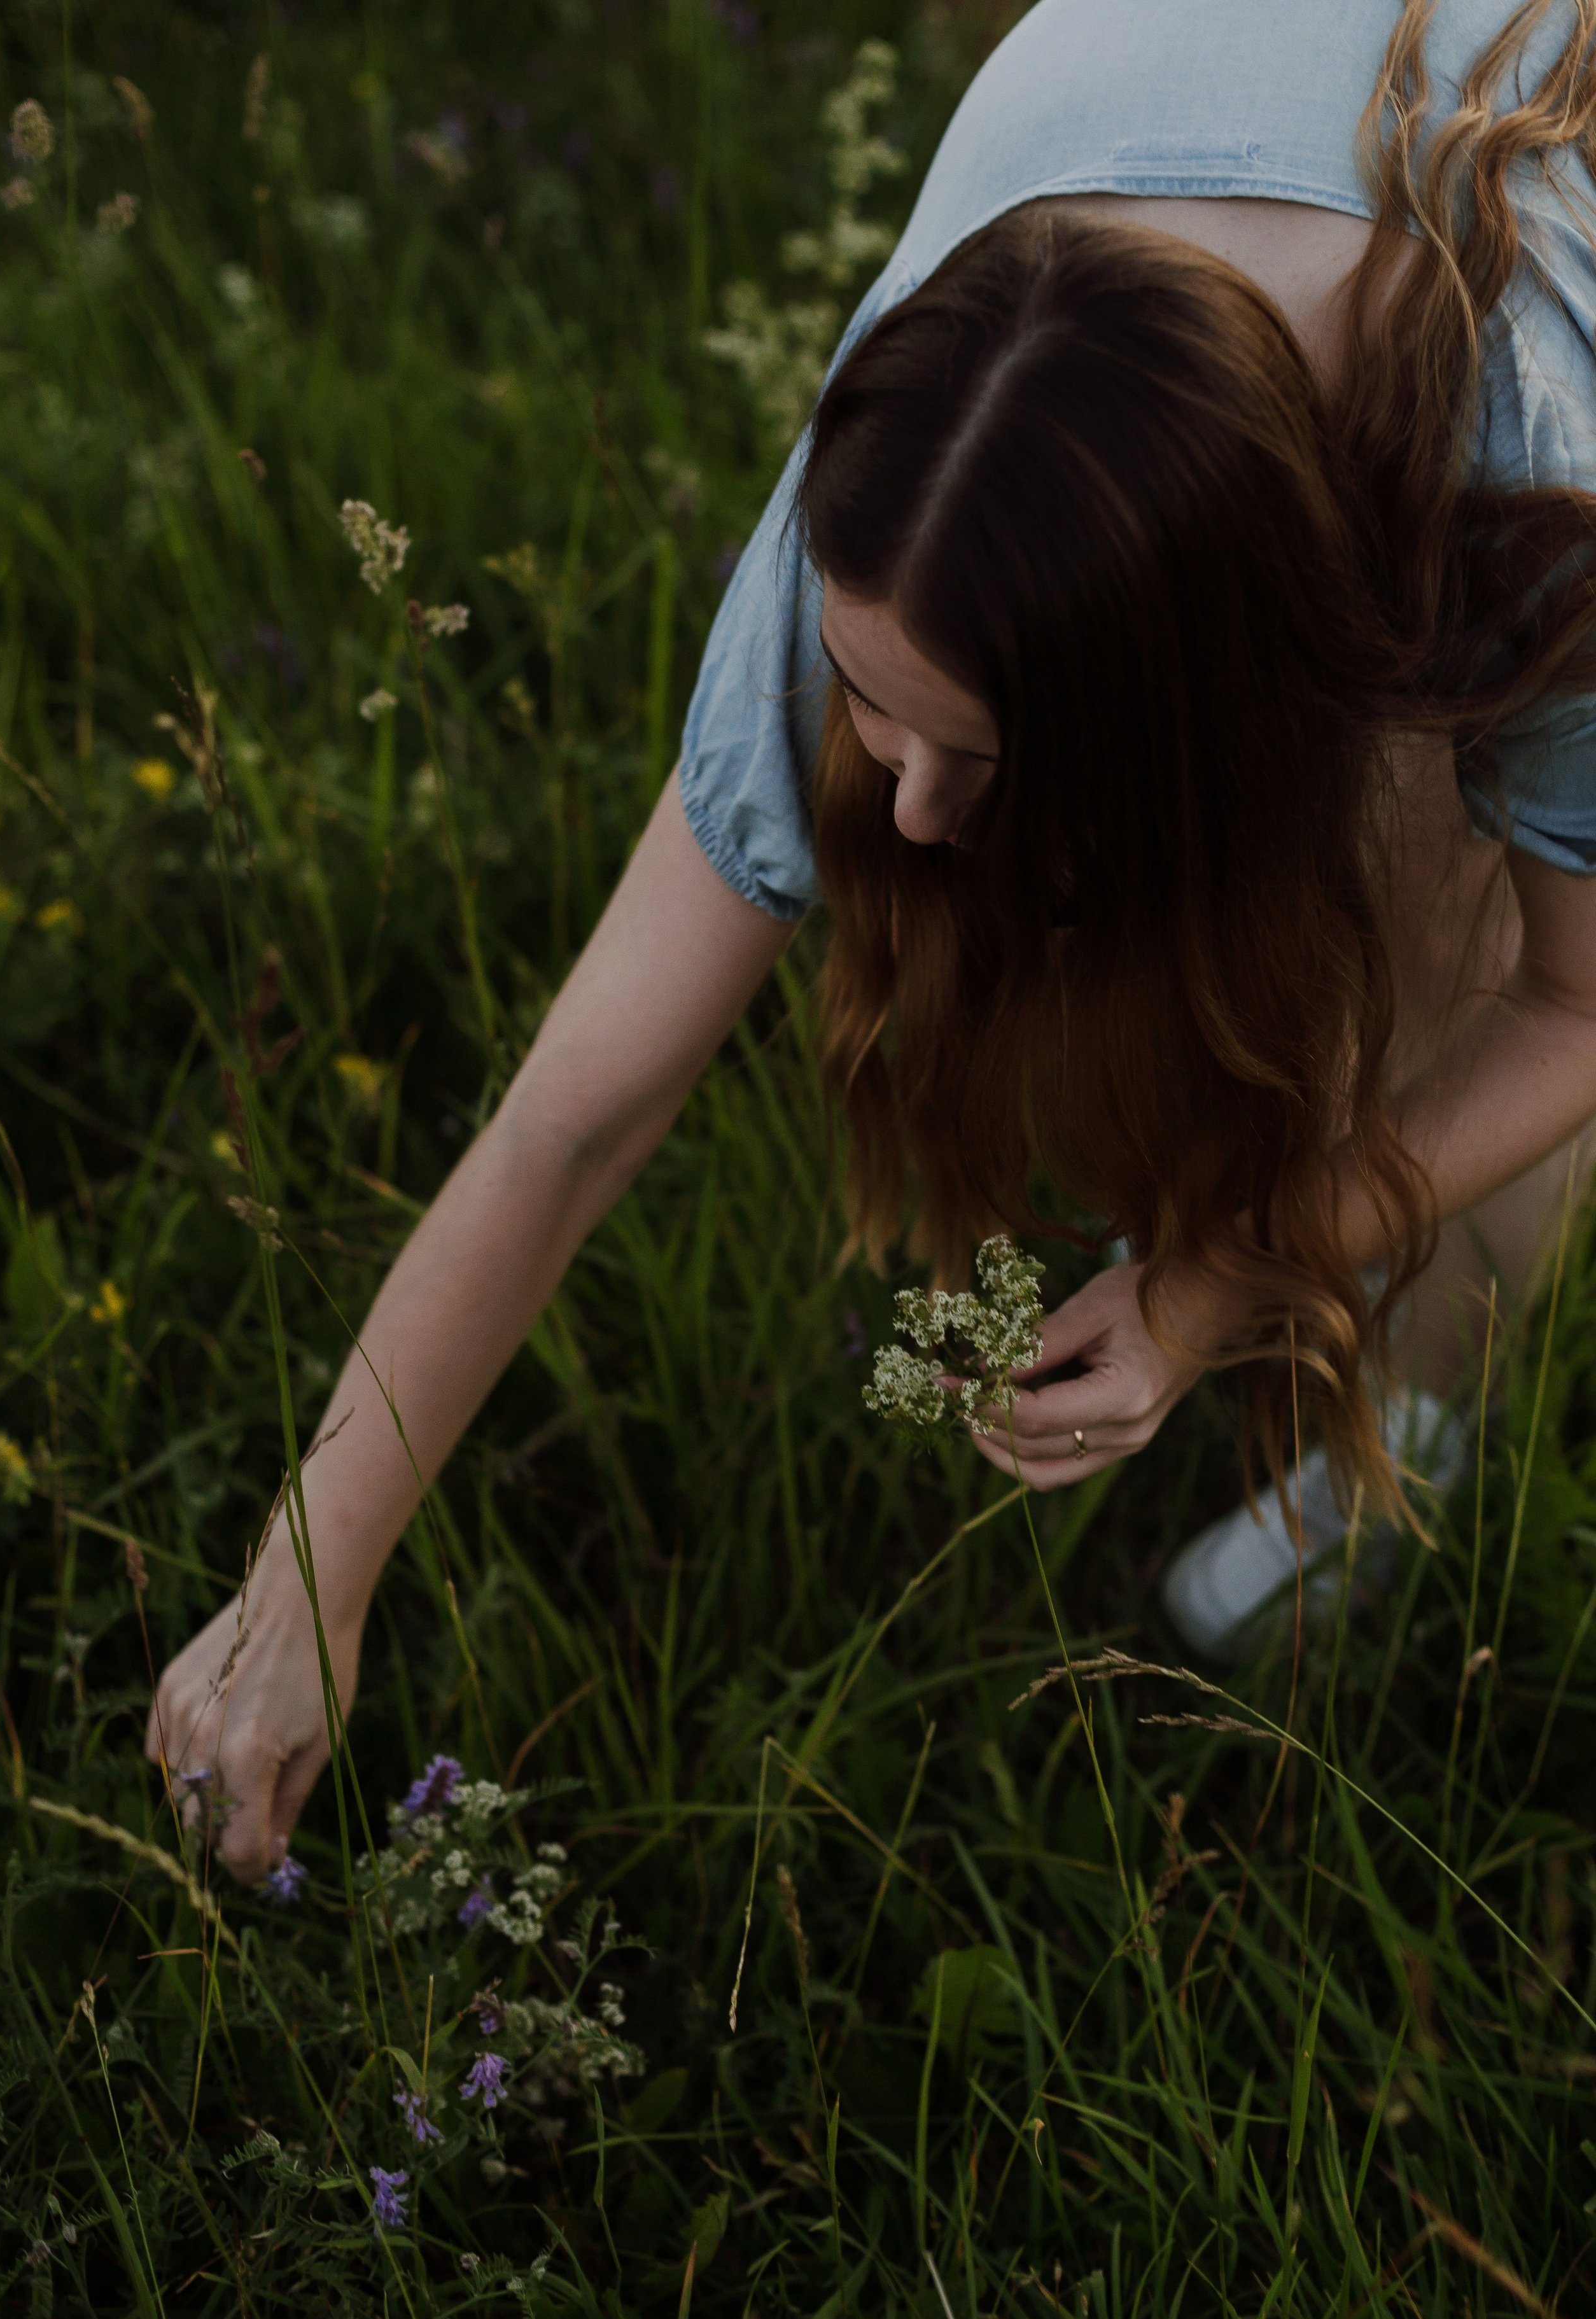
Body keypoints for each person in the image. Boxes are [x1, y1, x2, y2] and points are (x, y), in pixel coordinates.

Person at [151, 0, 1596, 1877]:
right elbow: (575, 1110)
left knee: (1440, 935)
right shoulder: (930, 476)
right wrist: (304, 1573)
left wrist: (1213, 1275)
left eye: (978, 754)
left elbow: (1579, 1004)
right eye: (866, 701)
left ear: (1198, 727)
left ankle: (1425, 1419)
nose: (902, 811)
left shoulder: (1527, 479)